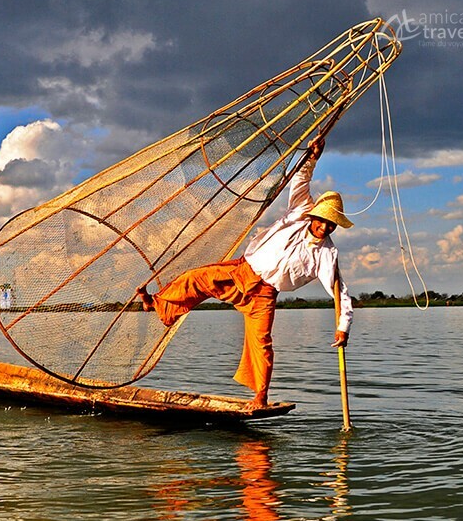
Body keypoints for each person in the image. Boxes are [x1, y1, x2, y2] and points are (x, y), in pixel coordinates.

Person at [138, 136, 353, 409]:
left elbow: (339, 291)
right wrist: (313, 157)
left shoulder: (326, 253)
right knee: (195, 280)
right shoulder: (301, 212)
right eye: (323, 221)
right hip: (243, 270)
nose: (325, 228)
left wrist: (342, 328)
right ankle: (155, 304)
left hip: (264, 294)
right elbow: (300, 181)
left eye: (331, 225)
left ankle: (259, 397)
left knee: (261, 342)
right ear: (315, 216)